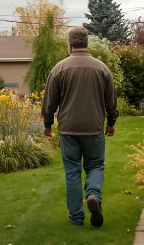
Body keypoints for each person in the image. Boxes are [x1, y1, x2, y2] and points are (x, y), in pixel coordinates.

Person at [41, 26, 118, 227]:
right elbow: (111, 101)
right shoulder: (102, 69)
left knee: (72, 172)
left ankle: (76, 217)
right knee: (95, 165)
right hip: (93, 128)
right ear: (87, 43)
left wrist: (47, 125)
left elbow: (49, 102)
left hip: (68, 130)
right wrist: (111, 123)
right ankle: (93, 194)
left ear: (70, 44)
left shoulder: (59, 69)